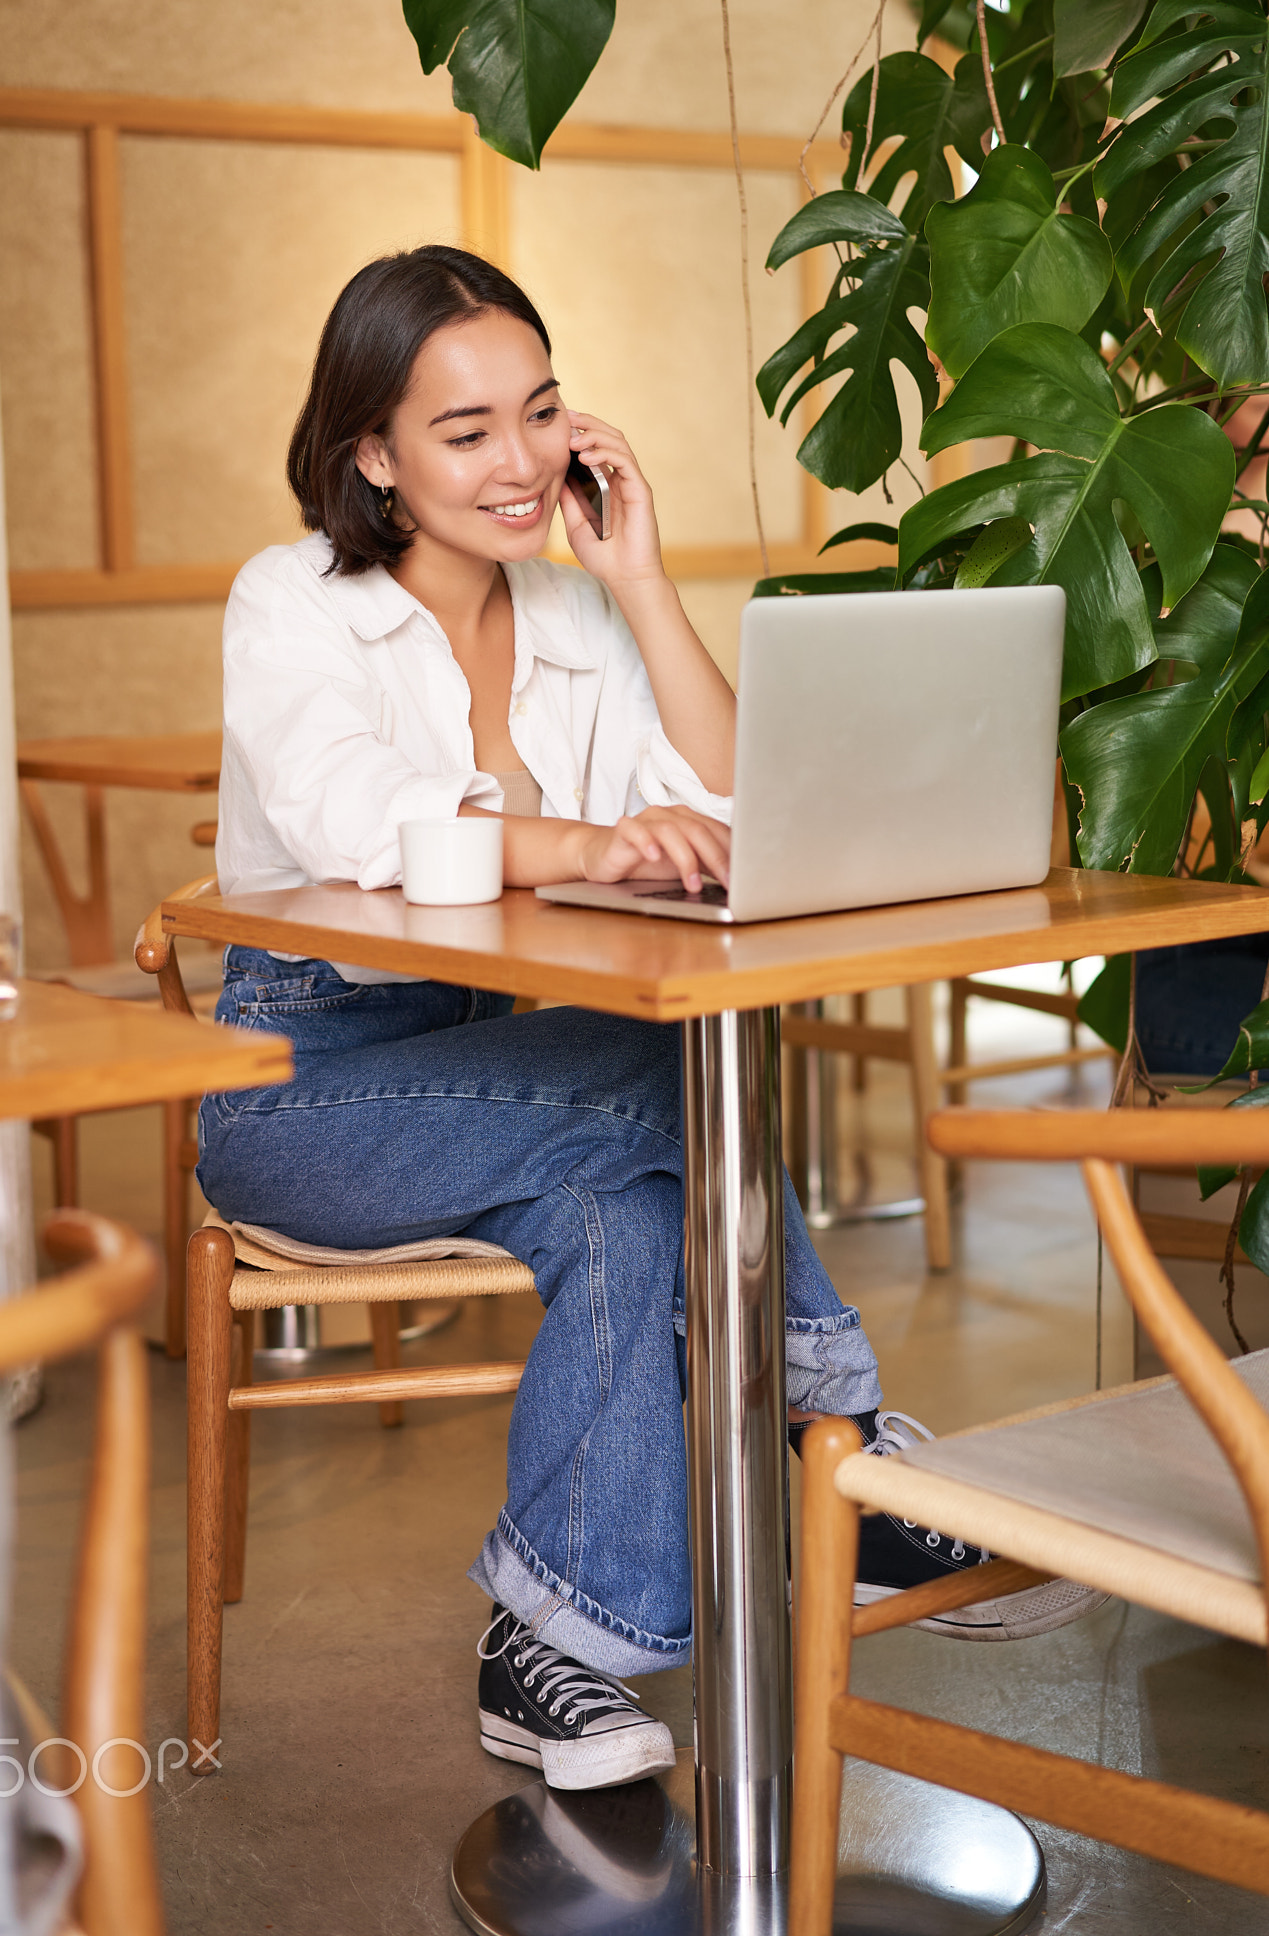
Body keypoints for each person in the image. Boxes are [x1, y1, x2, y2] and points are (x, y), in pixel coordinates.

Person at [197, 245, 1101, 1794]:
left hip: (531, 1073)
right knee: (665, 1069)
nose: (519, 457)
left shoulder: (571, 616)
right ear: (372, 452)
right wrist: (586, 845)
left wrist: (635, 583)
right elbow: (353, 814)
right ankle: (852, 1455)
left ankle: (556, 1644)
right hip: (309, 1087)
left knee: (625, 1208)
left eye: (539, 412)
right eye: (463, 428)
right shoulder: (294, 601)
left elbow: (742, 799)